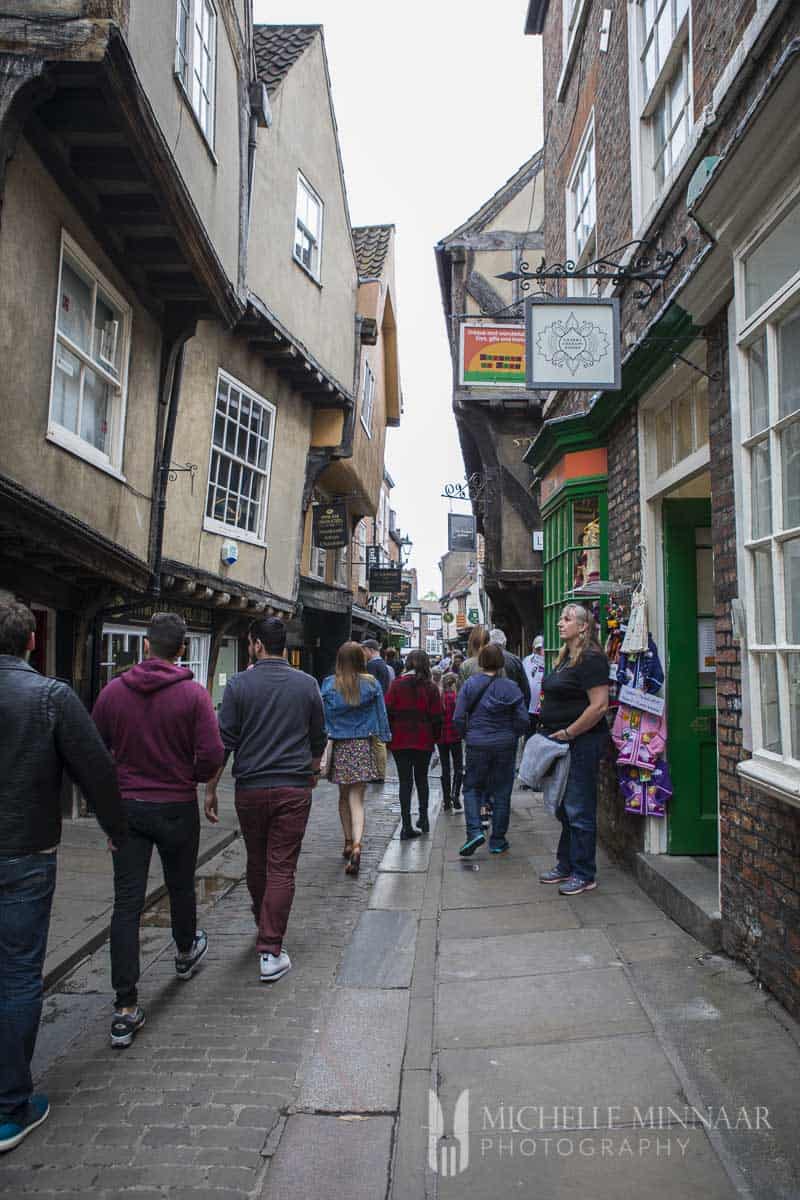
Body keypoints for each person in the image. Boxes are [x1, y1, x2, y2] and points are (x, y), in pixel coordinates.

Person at [0, 601, 126, 1153]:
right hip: (24, 851)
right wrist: (116, 828)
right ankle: (9, 1107)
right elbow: (95, 768)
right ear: (31, 642)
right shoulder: (50, 696)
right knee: (19, 973)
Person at [93, 612, 224, 1048]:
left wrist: (111, 798)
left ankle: (125, 1007)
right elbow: (211, 754)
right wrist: (191, 776)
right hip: (174, 806)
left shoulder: (113, 692)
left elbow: (96, 750)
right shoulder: (193, 695)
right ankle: (185, 952)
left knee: (126, 902)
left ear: (147, 646)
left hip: (128, 807)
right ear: (181, 649)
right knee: (181, 885)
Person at [207, 617, 326, 983]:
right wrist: (311, 770)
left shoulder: (239, 685)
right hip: (292, 788)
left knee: (258, 861)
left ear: (257, 644)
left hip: (251, 788)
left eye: (249, 643)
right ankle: (271, 948)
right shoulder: (306, 684)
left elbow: (224, 741)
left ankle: (265, 925)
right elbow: (318, 736)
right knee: (281, 866)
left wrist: (210, 788)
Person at [537, 604, 610, 896]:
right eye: (560, 619)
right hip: (563, 744)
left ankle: (584, 872)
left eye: (566, 619)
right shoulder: (566, 658)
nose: (559, 624)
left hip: (582, 743)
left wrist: (569, 732)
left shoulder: (591, 658)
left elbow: (600, 706)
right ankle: (566, 864)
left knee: (579, 809)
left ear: (582, 627)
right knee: (565, 808)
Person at [321, 642, 391, 876]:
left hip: (340, 746)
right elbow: (381, 714)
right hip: (362, 745)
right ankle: (358, 845)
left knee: (343, 796)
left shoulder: (330, 685)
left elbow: (323, 718)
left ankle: (348, 841)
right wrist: (385, 737)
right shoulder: (372, 685)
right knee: (357, 800)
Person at [454, 642, 529, 857]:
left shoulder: (470, 685)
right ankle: (497, 840)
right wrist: (512, 734)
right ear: (501, 662)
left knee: (471, 788)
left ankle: (474, 831)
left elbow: (458, 717)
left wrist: (467, 735)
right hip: (505, 745)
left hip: (477, 744)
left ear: (480, 661)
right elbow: (523, 719)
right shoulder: (511, 687)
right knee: (502, 791)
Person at [385, 650, 442, 839]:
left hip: (400, 740)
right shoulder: (431, 688)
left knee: (405, 782)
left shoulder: (397, 685)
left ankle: (406, 825)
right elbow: (437, 716)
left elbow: (388, 710)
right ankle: (424, 818)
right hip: (423, 739)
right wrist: (435, 739)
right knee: (422, 779)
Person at [437, 673, 463, 813]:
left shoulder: (439, 698)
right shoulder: (456, 698)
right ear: (453, 684)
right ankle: (455, 793)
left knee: (445, 768)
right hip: (455, 736)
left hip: (441, 738)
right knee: (458, 766)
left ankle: (446, 800)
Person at [488, 628, 531, 708]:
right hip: (512, 707)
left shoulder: (483, 659)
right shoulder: (515, 660)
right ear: (504, 643)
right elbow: (525, 690)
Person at [522, 635, 546, 739]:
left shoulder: (550, 659)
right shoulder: (527, 661)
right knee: (529, 734)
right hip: (530, 707)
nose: (540, 652)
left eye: (542, 649)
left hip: (544, 706)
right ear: (533, 648)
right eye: (538, 649)